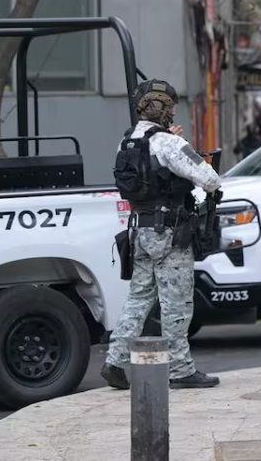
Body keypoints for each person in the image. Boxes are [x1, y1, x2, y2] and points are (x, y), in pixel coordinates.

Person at [102, 79, 222, 391]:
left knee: (138, 299)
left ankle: (115, 359)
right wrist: (188, 150)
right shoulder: (170, 143)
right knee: (176, 303)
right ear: (165, 110)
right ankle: (180, 369)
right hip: (170, 234)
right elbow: (209, 179)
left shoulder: (127, 141)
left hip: (139, 230)